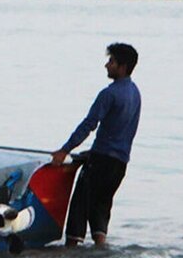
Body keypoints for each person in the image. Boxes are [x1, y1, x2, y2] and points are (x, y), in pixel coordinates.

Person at [51, 42, 141, 247]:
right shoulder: (135, 93)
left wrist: (64, 150)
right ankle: (100, 250)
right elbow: (126, 131)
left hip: (101, 161)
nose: (107, 66)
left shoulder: (109, 93)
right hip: (119, 164)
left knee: (80, 207)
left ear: (123, 66)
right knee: (101, 206)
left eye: (111, 62)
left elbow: (89, 125)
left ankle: (72, 253)